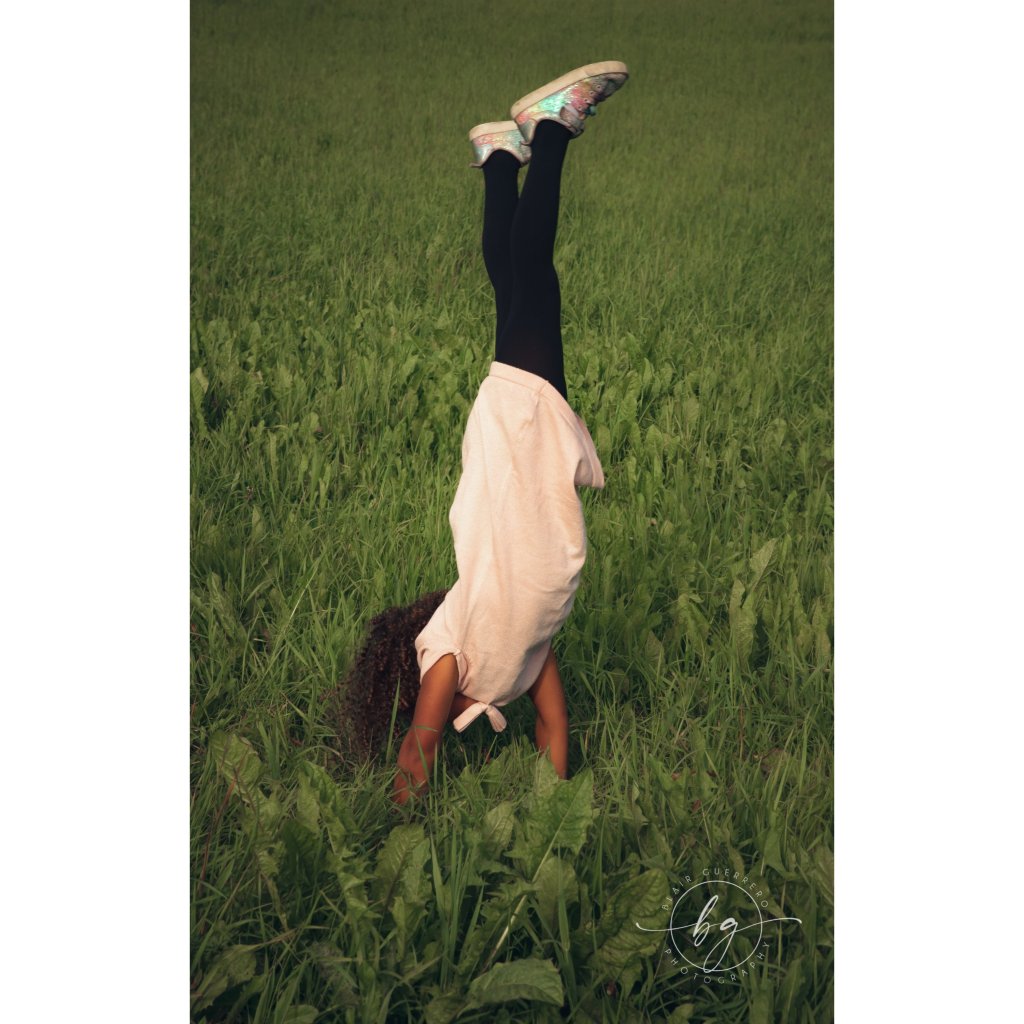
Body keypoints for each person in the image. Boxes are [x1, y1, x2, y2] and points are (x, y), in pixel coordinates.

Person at [378, 62, 629, 805]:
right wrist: (557, 806)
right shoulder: (515, 665)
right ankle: (498, 160)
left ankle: (550, 126)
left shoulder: (447, 656)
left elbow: (417, 756)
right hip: (520, 451)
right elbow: (554, 728)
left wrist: (402, 810)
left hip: (519, 445)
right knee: (518, 291)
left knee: (535, 282)